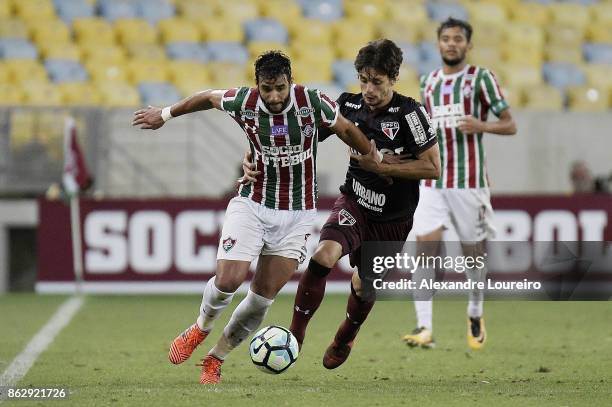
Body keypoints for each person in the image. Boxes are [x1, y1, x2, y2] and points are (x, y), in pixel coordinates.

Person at [132, 51, 377, 384]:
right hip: (253, 204)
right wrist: (165, 114)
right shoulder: (243, 102)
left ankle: (214, 360)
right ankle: (200, 328)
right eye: (267, 88)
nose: (274, 96)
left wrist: (369, 153)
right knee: (228, 281)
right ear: (257, 85)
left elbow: (346, 128)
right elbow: (207, 98)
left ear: (290, 82)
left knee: (261, 298)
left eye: (279, 88)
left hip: (297, 215)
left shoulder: (312, 101)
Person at [243, 40, 440, 369]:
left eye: (376, 81)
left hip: (393, 218)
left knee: (365, 287)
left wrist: (384, 167)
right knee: (322, 257)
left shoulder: (411, 113)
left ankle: (345, 335)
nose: (368, 89)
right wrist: (250, 156)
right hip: (355, 201)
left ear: (393, 79)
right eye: (363, 80)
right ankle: (295, 335)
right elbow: (293, 133)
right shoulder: (347, 105)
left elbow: (433, 167)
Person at [402, 18, 517, 350]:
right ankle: (424, 327)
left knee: (473, 256)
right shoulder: (429, 81)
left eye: (457, 39)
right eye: (446, 39)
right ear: (438, 44)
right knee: (424, 250)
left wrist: (481, 125)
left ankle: (475, 311)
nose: (451, 44)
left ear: (468, 45)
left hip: (469, 183)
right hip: (433, 182)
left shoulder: (481, 78)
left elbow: (510, 124)